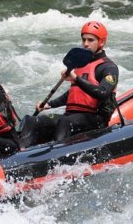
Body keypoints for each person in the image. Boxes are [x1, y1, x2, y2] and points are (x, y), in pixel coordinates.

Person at [19, 21, 119, 149]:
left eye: (90, 40)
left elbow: (102, 93)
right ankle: (19, 154)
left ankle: (55, 157)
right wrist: (49, 105)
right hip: (71, 116)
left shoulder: (108, 67)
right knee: (34, 120)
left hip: (95, 119)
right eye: (84, 40)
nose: (86, 44)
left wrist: (75, 78)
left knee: (64, 121)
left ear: (102, 42)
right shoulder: (81, 63)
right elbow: (74, 93)